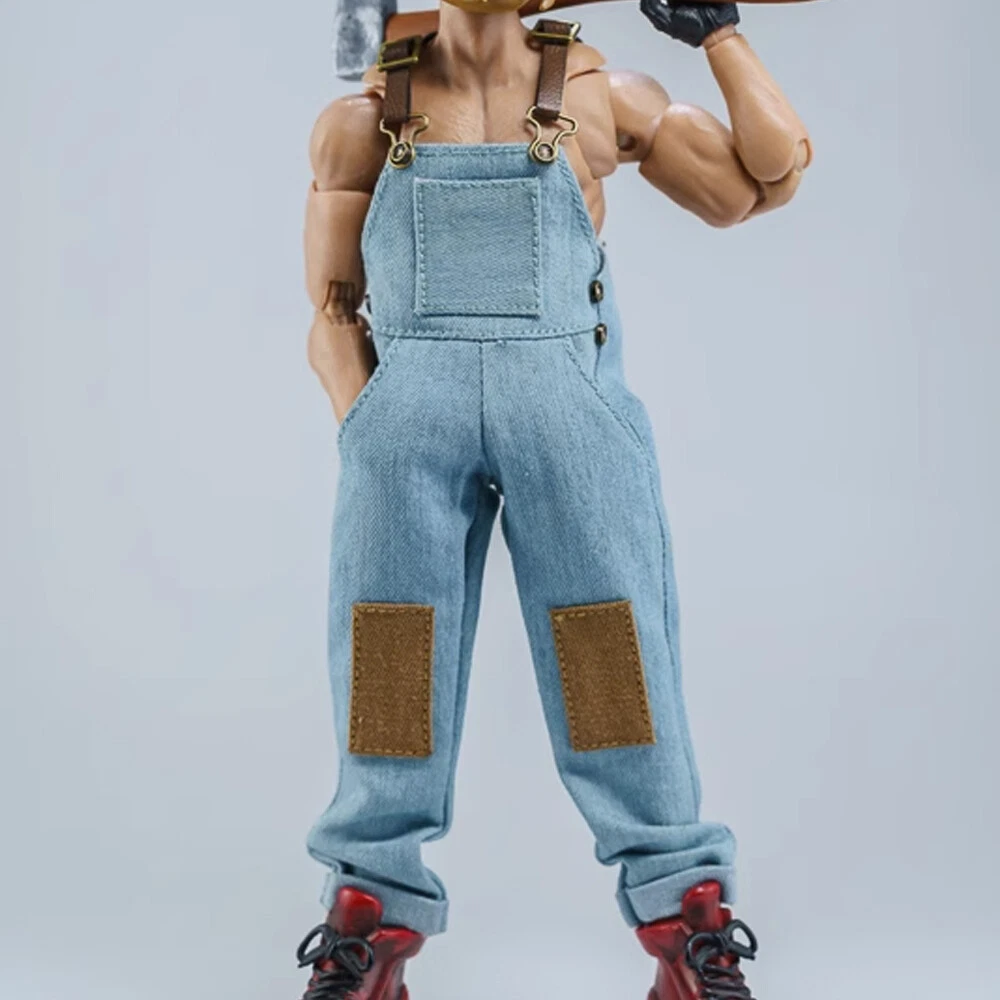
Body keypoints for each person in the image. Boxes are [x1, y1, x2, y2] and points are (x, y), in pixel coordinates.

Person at [297, 1, 811, 997]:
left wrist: (718, 35)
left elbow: (761, 181)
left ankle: (685, 916)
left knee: (609, 653)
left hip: (567, 412)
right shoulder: (364, 117)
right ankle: (368, 915)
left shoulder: (601, 97)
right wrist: (370, 423)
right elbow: (329, 307)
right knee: (389, 656)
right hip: (405, 422)